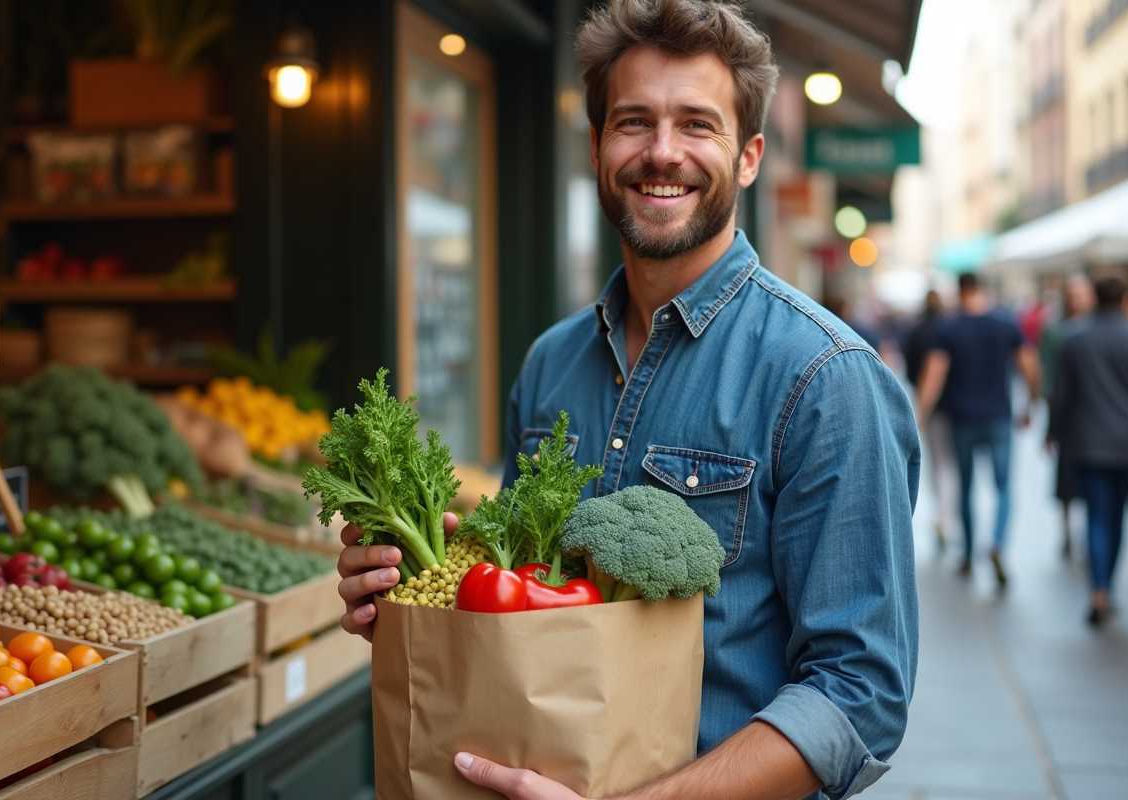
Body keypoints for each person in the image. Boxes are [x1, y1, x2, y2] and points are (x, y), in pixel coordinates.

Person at [338, 2, 920, 798]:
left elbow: (859, 696)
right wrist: (419, 602)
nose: (662, 153)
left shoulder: (825, 378)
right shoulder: (550, 362)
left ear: (748, 156)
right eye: (635, 122)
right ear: (597, 146)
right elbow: (527, 611)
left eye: (697, 125)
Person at [916, 273, 1040, 587]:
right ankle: (997, 542)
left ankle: (969, 554)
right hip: (999, 417)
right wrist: (1032, 403)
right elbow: (1029, 365)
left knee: (966, 487)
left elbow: (934, 375)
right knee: (1003, 488)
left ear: (960, 291)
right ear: (983, 290)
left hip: (962, 419)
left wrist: (920, 413)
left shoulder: (948, 328)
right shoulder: (1006, 324)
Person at [1048, 274, 1128, 626]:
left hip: (1086, 442)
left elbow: (1062, 393)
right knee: (1116, 518)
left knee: (1096, 515)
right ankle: (1107, 586)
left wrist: (1052, 431)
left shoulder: (1075, 338)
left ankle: (1098, 588)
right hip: (1126, 444)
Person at [1039, 275, 1095, 558]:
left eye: (1084, 294)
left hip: (1097, 414)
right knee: (1066, 479)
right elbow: (1049, 376)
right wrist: (1051, 424)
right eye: (1074, 294)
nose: (1080, 300)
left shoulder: (1099, 325)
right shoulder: (1055, 330)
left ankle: (1091, 530)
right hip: (1068, 413)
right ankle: (1067, 530)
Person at [904, 290, 954, 551]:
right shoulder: (951, 327)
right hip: (956, 406)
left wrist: (921, 407)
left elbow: (912, 367)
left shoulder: (918, 330)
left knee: (939, 462)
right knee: (952, 463)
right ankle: (948, 513)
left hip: (932, 405)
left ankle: (943, 513)